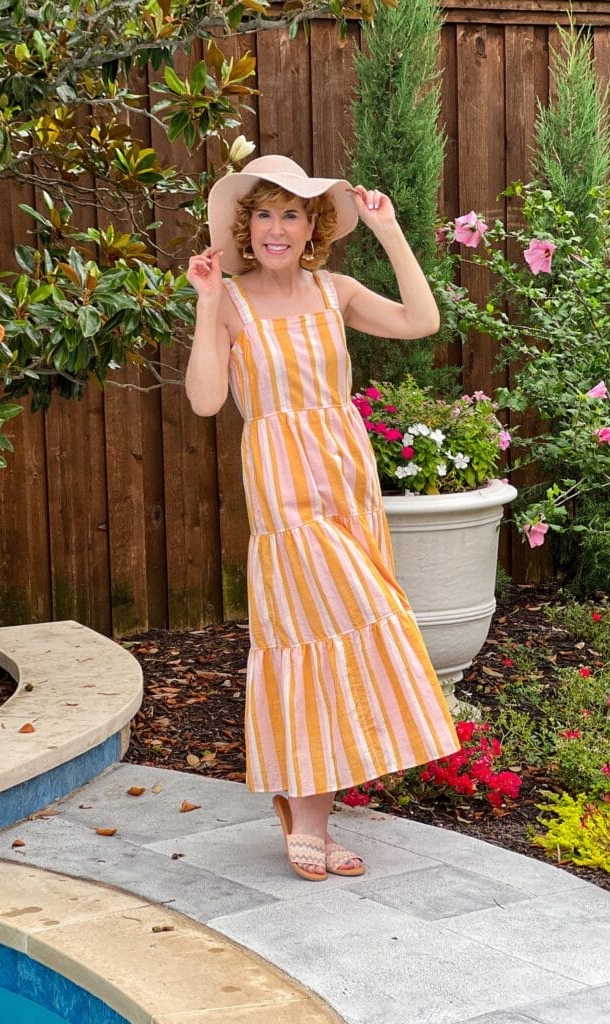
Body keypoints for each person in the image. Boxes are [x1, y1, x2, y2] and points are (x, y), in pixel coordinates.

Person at [186, 155, 459, 881]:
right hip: (283, 492)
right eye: (266, 214)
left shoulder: (333, 290)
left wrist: (391, 232)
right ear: (248, 228)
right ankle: (307, 812)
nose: (278, 227)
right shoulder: (234, 302)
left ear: (313, 228)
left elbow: (421, 321)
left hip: (348, 479)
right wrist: (207, 304)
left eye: (293, 214)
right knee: (320, 632)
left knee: (337, 642)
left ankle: (312, 814)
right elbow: (209, 401)